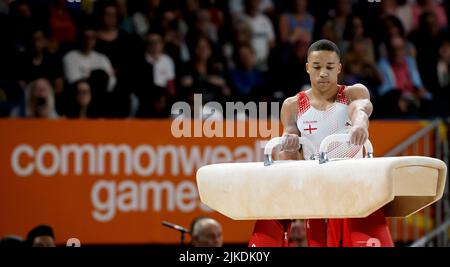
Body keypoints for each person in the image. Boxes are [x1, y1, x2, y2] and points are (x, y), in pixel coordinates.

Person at [248, 39, 394, 247]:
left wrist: (359, 124)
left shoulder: (353, 93)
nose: (323, 73)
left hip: (353, 184)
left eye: (329, 67)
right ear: (308, 68)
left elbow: (361, 109)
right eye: (317, 67)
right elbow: (290, 132)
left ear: (339, 68)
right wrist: (289, 139)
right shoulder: (292, 105)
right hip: (316, 188)